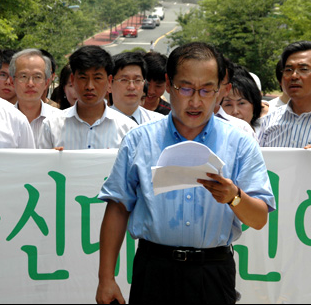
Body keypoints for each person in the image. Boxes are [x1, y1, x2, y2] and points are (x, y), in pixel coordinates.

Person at [96, 42, 275, 304]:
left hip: (213, 271)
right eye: (186, 88)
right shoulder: (139, 140)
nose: (195, 100)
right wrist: (106, 279)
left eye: (206, 90)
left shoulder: (239, 143)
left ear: (220, 91)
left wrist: (234, 196)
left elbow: (259, 219)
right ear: (168, 85)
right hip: (154, 269)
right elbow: (118, 208)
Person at [37, 45, 137, 150]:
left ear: (109, 81)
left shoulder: (127, 129)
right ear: (72, 79)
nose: (89, 86)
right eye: (83, 78)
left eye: (97, 78)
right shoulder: (51, 126)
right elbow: (40, 165)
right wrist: (51, 159)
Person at [9, 48, 60, 146]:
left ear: (46, 82)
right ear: (12, 81)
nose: (30, 84)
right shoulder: (2, 120)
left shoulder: (60, 121)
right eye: (23, 76)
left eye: (37, 77)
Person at [109, 52, 164, 125]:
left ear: (144, 83)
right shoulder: (97, 126)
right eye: (124, 80)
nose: (131, 87)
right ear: (109, 84)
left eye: (137, 80)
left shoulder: (159, 123)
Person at [221, 64, 263, 133]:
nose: (235, 112)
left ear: (254, 105)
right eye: (228, 105)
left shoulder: (267, 133)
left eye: (241, 103)